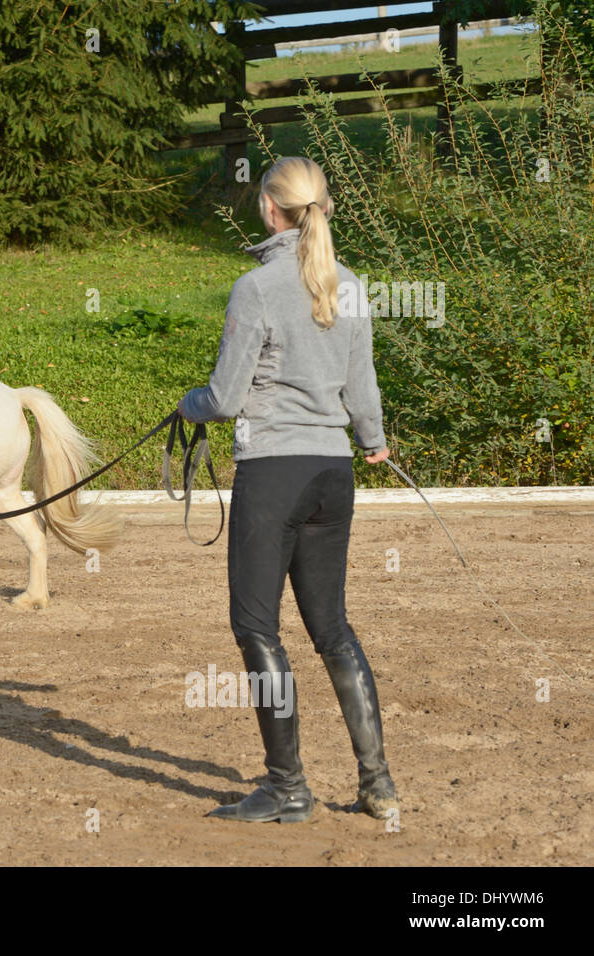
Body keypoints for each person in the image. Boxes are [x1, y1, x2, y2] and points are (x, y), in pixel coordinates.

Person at [178, 156, 399, 824]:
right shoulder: (350, 283)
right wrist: (374, 439)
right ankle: (378, 784)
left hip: (274, 472)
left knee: (256, 627)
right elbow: (362, 387)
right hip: (334, 472)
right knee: (332, 628)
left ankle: (288, 787)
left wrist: (188, 406)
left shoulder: (257, 287)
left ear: (271, 211)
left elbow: (225, 396)